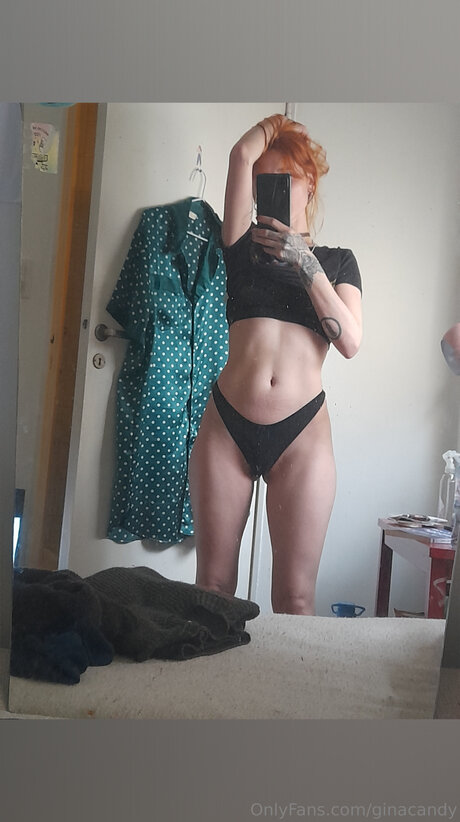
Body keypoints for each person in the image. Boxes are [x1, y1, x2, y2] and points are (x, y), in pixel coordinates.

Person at [189, 114, 363, 614]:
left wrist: (304, 263)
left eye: (284, 180)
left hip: (301, 434)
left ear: (310, 184)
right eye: (264, 182)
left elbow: (350, 341)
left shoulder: (338, 262)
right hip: (227, 426)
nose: (273, 191)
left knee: (296, 597)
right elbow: (239, 155)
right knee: (212, 587)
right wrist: (276, 124)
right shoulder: (240, 247)